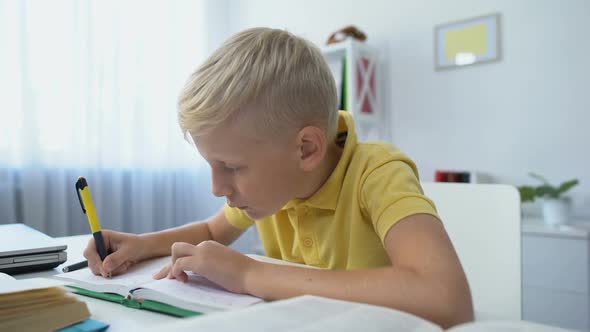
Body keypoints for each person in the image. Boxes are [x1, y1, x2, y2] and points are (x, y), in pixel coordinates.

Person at [83, 27, 473, 328]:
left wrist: (250, 273)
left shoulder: (377, 173)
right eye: (211, 165)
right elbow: (211, 232)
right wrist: (140, 245)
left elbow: (447, 299)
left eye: (232, 167)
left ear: (306, 149)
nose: (217, 187)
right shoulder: (275, 187)